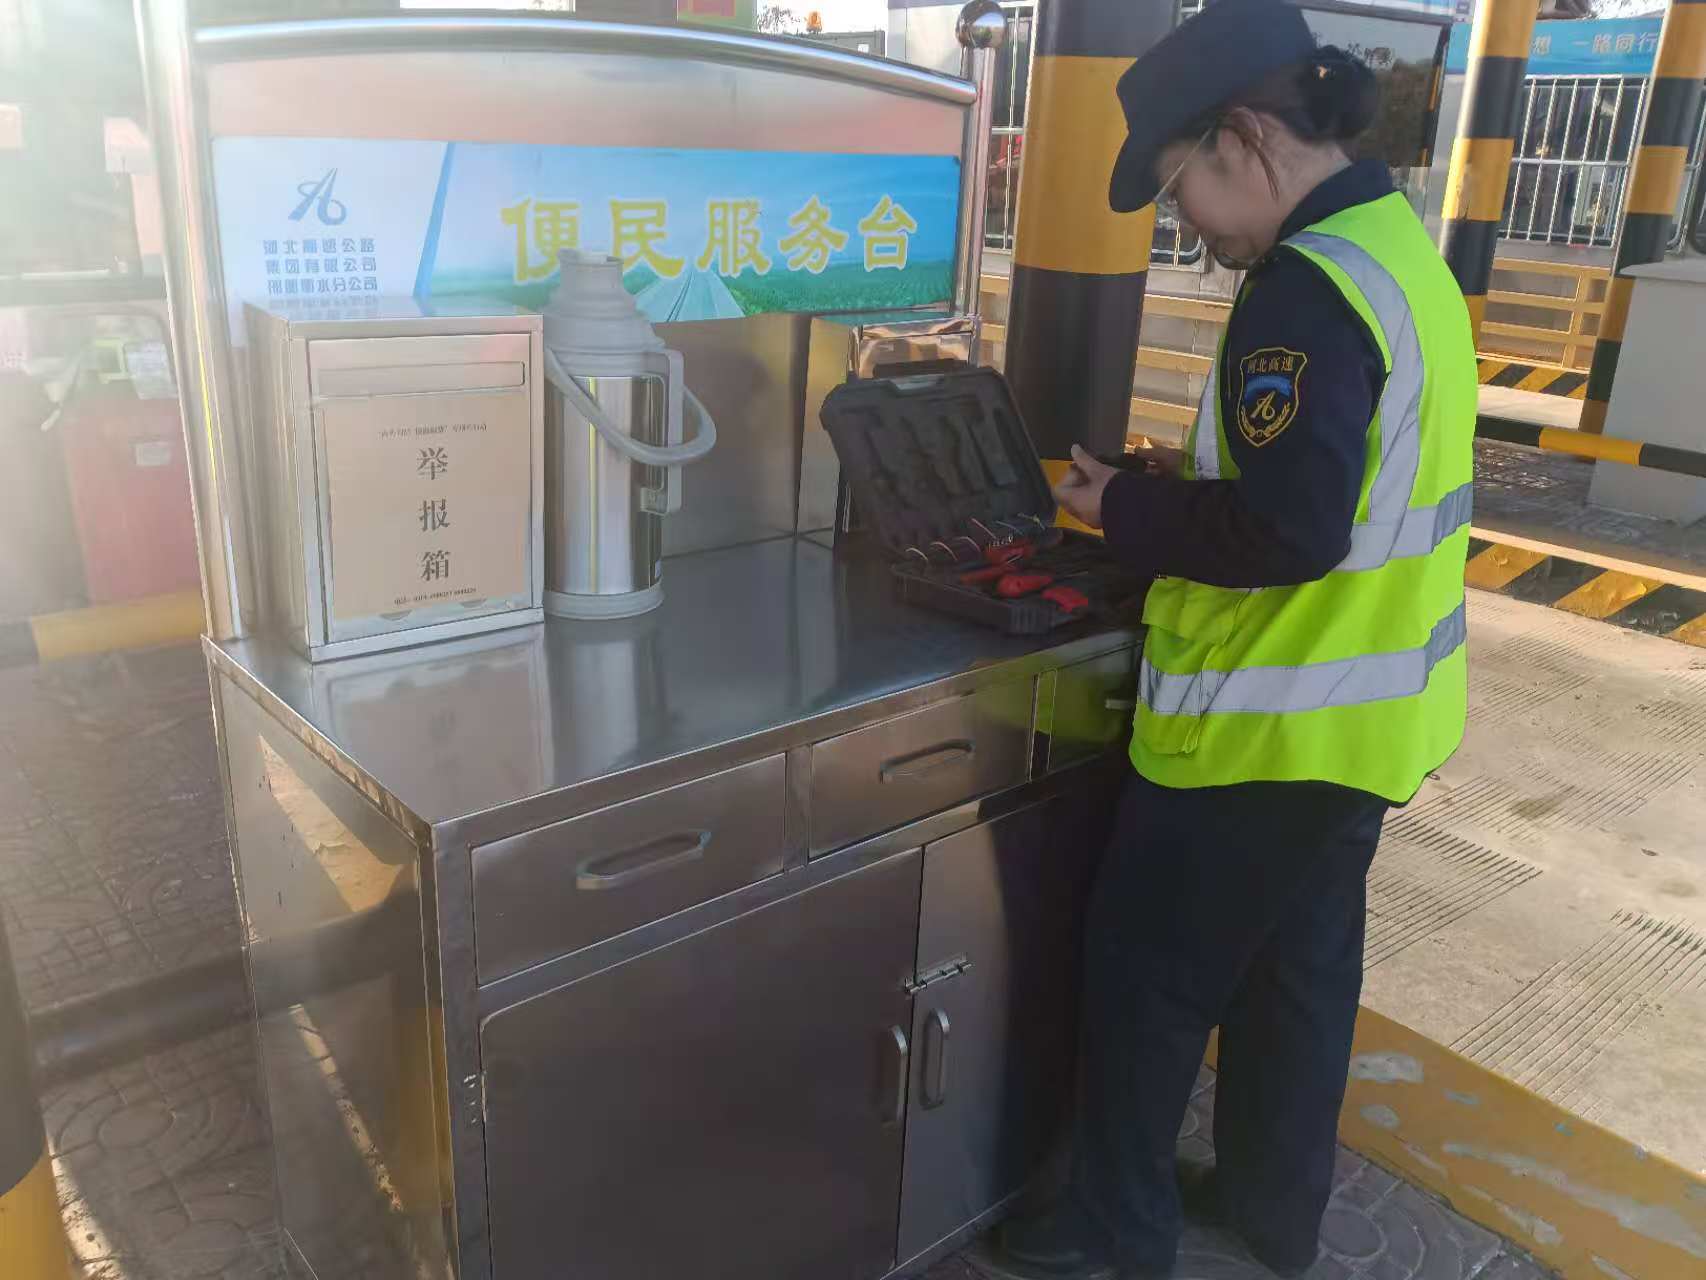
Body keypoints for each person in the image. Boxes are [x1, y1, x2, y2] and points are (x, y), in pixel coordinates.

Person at [992, 1, 1476, 1277]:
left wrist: (1121, 506)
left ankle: (1110, 1232)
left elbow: (1290, 529)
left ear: (1242, 139)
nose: (1188, 228)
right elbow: (1351, 484)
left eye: (1178, 190)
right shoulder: (1394, 250)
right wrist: (1189, 485)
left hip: (1260, 728)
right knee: (1293, 979)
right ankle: (1269, 1207)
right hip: (1369, 720)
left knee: (1144, 980)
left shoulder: (1300, 292)